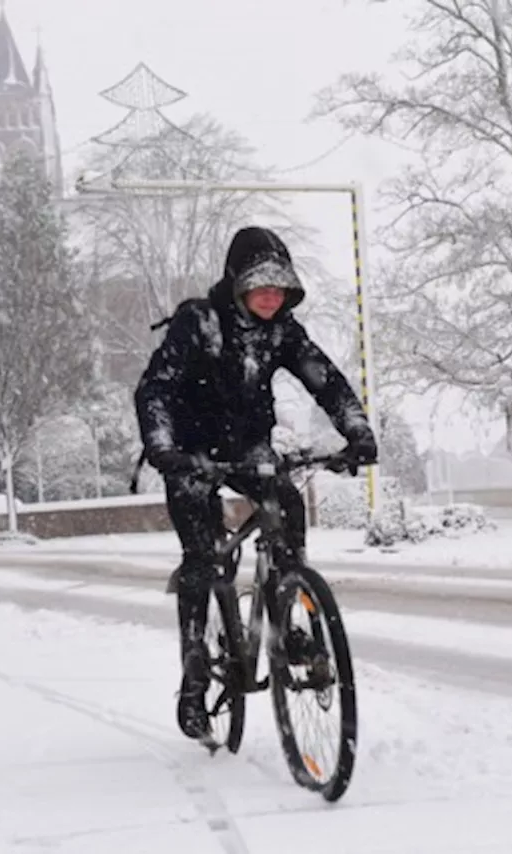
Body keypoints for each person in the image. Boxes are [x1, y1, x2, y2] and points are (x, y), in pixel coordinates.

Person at [133, 225, 378, 740]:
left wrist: (355, 430)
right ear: (237, 283)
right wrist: (163, 449)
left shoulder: (282, 331)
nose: (272, 295)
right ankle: (195, 675)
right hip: (190, 452)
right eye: (261, 284)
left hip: (249, 448)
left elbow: (326, 382)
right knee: (203, 559)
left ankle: (287, 604)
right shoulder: (198, 322)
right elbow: (155, 389)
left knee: (285, 505)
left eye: (281, 286)